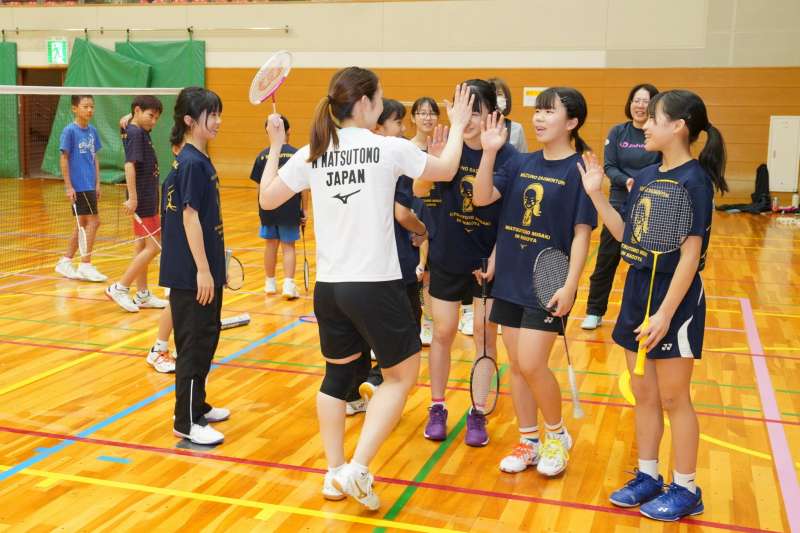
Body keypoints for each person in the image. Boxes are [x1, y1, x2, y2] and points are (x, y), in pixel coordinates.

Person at [259, 67, 474, 510]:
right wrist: (457, 124)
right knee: (401, 376)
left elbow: (267, 199)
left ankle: (333, 472)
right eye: (379, 97)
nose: (382, 103)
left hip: (330, 288)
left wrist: (277, 146)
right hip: (374, 285)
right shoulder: (387, 147)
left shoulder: (313, 152)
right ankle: (357, 468)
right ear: (364, 103)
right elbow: (448, 168)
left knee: (337, 377)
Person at [579, 89, 727, 521]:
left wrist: (664, 314)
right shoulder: (645, 176)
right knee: (643, 393)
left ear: (678, 126)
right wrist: (596, 195)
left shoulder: (695, 181)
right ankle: (648, 475)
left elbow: (691, 255)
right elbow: (627, 233)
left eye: (654, 119)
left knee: (674, 397)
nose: (643, 124)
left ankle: (687, 487)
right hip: (637, 291)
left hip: (674, 300)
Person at [475, 87, 596, 477]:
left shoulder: (579, 171)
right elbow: (481, 198)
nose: (539, 118)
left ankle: (556, 435)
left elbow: (581, 234)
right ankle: (529, 441)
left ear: (572, 122)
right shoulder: (519, 161)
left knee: (531, 363)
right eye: (538, 111)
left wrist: (572, 285)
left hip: (548, 282)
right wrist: (489, 152)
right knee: (516, 365)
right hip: (511, 276)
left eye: (549, 112)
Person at [414, 79, 516, 448]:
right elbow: (419, 191)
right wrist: (432, 164)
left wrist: (496, 257)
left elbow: (507, 216)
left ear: (493, 114)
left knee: (485, 336)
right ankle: (437, 406)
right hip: (446, 255)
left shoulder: (508, 157)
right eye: (463, 110)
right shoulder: (448, 146)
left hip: (487, 261)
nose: (469, 119)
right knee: (442, 332)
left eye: (476, 111)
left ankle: (478, 410)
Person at [345, 98, 428, 416]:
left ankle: (353, 393)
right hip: (396, 262)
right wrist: (422, 230)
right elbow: (402, 213)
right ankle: (381, 382)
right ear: (379, 127)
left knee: (359, 329)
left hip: (360, 262)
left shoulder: (354, 161)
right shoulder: (396, 158)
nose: (404, 129)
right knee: (406, 327)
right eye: (398, 122)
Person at [160, 87, 229, 446]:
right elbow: (190, 219)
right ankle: (186, 421)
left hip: (206, 269)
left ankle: (197, 405)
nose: (217, 121)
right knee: (193, 346)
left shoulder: (199, 159)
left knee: (206, 339)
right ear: (189, 120)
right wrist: (203, 269)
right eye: (210, 115)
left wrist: (217, 262)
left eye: (218, 113)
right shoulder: (191, 163)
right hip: (191, 275)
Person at [582, 84, 660, 330]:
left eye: (646, 101)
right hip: (618, 202)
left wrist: (642, 184)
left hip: (650, 202)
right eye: (636, 100)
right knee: (606, 259)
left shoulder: (657, 134)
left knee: (647, 263)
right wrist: (626, 181)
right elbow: (610, 166)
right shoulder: (618, 132)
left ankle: (649, 313)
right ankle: (594, 311)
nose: (640, 106)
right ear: (630, 103)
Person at [106, 96, 168, 313]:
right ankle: (120, 287)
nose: (154, 121)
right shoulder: (134, 133)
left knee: (142, 246)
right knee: (155, 246)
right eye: (151, 116)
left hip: (148, 196)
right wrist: (133, 198)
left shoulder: (136, 128)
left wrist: (129, 116)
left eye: (157, 118)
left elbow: (127, 121)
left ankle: (142, 294)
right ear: (138, 110)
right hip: (142, 199)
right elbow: (129, 165)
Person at [249, 115, 305, 299]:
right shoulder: (297, 154)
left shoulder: (262, 155)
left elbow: (259, 188)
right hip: (290, 208)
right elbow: (303, 188)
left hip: (268, 210)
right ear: (289, 131)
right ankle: (288, 285)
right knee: (288, 246)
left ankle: (270, 283)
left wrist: (262, 210)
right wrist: (304, 210)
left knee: (270, 245)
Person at [54, 95, 107, 283]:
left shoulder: (92, 131)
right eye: (85, 106)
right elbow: (64, 158)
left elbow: (95, 158)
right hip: (79, 186)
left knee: (83, 224)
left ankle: (65, 261)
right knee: (94, 222)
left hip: (90, 184)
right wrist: (69, 186)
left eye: (92, 106)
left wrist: (98, 183)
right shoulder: (69, 131)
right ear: (74, 109)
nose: (89, 110)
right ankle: (85, 264)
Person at [410, 96, 440, 346]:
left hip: (440, 217)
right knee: (422, 275)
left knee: (434, 277)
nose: (427, 117)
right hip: (415, 218)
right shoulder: (406, 148)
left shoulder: (444, 147)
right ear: (413, 118)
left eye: (431, 113)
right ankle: (422, 324)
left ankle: (432, 323)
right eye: (422, 112)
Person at [489, 77, 528, 152]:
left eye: (499, 94)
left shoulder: (516, 128)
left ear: (506, 98)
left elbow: (523, 157)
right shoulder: (477, 127)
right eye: (491, 95)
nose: (495, 99)